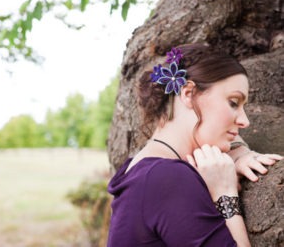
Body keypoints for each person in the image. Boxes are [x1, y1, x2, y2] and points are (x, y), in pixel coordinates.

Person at [107, 44, 283, 247]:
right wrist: (225, 194)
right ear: (188, 93)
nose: (245, 121)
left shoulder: (141, 168)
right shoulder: (166, 178)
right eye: (233, 102)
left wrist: (239, 152)